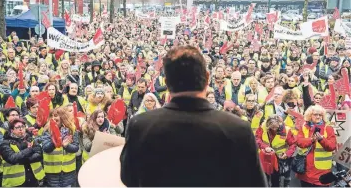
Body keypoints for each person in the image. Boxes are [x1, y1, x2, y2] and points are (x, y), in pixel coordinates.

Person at [120, 45, 267, 187]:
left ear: (167, 82)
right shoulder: (238, 129)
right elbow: (255, 184)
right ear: (207, 78)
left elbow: (128, 178)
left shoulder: (140, 125)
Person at [295, 105, 337, 187]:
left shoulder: (328, 128)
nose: (318, 117)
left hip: (322, 173)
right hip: (305, 171)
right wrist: (311, 140)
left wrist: (322, 140)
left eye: (320, 115)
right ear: (310, 115)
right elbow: (299, 142)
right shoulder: (304, 127)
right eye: (315, 114)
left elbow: (332, 146)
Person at [41, 107, 80, 187]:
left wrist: (66, 146)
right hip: (52, 172)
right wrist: (55, 143)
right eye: (52, 116)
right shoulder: (47, 130)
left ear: (62, 117)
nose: (53, 118)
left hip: (68, 172)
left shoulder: (72, 130)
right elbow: (45, 148)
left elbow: (76, 148)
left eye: (56, 115)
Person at [0, 118, 45, 187]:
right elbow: (12, 158)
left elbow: (39, 154)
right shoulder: (5, 143)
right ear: (12, 130)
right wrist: (29, 150)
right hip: (15, 183)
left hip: (34, 179)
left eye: (23, 126)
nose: (21, 129)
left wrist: (22, 160)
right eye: (18, 127)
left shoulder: (30, 139)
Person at [256, 115, 296, 187]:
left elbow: (293, 144)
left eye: (276, 127)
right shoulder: (262, 127)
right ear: (268, 124)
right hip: (265, 156)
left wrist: (287, 154)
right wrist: (265, 147)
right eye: (272, 127)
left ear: (280, 124)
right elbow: (257, 139)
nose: (274, 129)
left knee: (276, 178)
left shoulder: (286, 130)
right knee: (264, 177)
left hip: (278, 158)